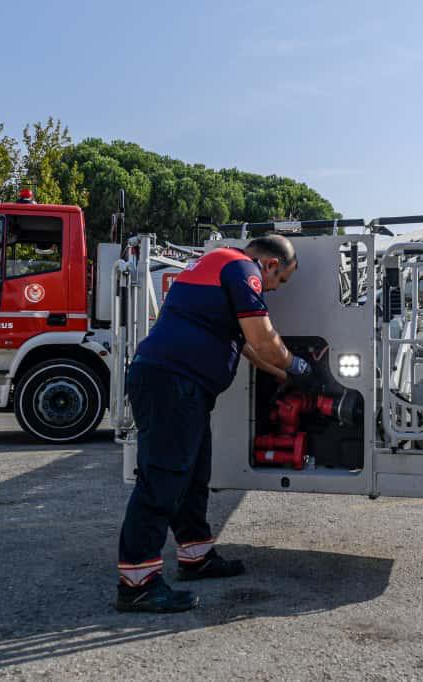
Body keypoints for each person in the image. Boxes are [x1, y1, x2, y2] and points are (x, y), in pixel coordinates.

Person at [115, 234, 312, 613]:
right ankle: (137, 582)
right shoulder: (242, 269)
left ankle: (196, 556)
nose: (275, 287)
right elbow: (263, 337)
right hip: (172, 383)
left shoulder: (215, 265)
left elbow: (249, 347)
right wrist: (297, 365)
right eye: (281, 280)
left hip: (176, 383)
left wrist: (283, 375)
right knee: (162, 478)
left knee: (191, 475)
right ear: (269, 265)